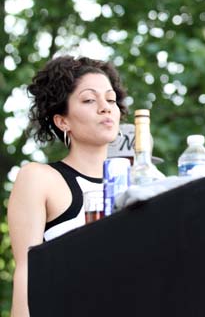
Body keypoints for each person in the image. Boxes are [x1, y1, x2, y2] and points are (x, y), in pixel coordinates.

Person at [7, 56, 127, 317]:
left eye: (110, 99)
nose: (105, 108)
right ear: (63, 121)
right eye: (89, 100)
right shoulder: (40, 178)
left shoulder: (138, 184)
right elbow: (26, 274)